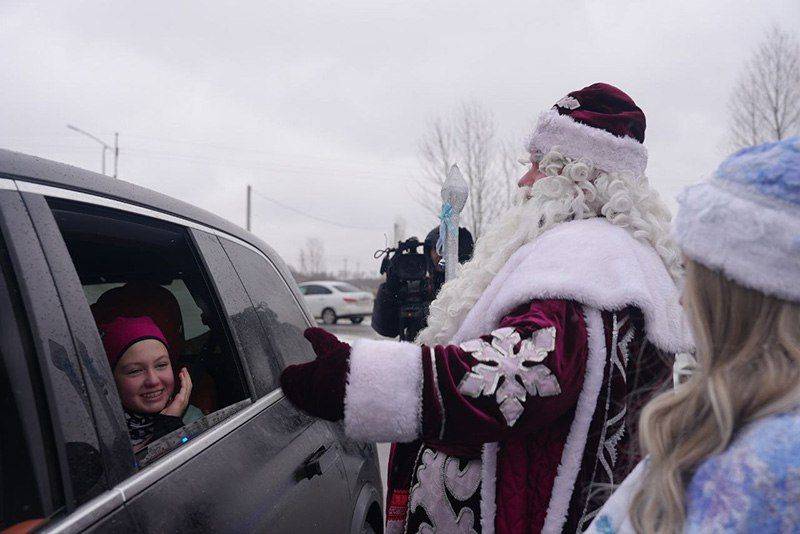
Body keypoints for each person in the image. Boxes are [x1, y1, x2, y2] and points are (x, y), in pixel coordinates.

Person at [280, 83, 692, 533]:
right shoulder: (620, 259)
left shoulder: (585, 262)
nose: (524, 181)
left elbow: (517, 377)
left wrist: (353, 379)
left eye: (536, 167)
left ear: (576, 178)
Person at [587, 137, 800, 534]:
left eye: (691, 275)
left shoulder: (767, 466)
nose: (682, 300)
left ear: (738, 298)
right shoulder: (732, 420)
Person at [99, 315, 197, 452]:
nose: (153, 380)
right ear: (110, 379)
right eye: (135, 371)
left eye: (161, 365)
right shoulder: (95, 436)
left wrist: (170, 423)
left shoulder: (193, 420)